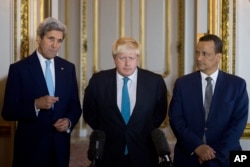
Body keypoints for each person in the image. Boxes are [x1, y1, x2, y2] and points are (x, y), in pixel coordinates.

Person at [1, 17, 82, 167]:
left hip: (60, 149)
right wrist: (36, 104)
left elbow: (75, 106)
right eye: (51, 39)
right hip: (30, 151)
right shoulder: (19, 69)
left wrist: (69, 121)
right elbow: (8, 111)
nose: (55, 45)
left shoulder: (68, 68)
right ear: (39, 38)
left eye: (59, 41)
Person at [82, 36, 168, 167]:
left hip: (143, 151)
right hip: (108, 152)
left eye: (132, 58)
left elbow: (159, 114)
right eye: (122, 58)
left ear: (138, 59)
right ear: (114, 59)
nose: (127, 63)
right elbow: (90, 112)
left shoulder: (155, 82)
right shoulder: (98, 81)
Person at [168, 34, 249, 167]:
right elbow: (176, 120)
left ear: (218, 57)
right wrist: (197, 147)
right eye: (197, 53)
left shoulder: (237, 85)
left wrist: (214, 155)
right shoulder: (182, 84)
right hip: (189, 158)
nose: (199, 58)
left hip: (226, 158)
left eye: (205, 54)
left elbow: (238, 123)